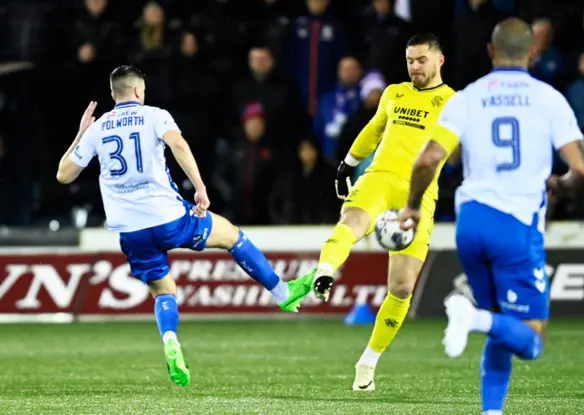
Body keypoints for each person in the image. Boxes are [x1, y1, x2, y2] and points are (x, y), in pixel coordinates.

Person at [55, 66, 313, 387]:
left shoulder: (98, 129)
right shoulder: (154, 115)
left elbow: (63, 175)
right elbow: (178, 145)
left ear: (113, 95)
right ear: (138, 91)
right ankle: (283, 292)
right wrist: (200, 188)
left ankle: (170, 342)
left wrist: (82, 132)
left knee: (164, 291)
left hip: (131, 231)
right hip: (169, 218)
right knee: (232, 236)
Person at [398, 18, 584, 414]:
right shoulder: (548, 98)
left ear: (490, 52)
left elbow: (429, 159)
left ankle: (492, 411)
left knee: (500, 322)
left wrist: (414, 206)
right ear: (533, 52)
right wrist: (562, 183)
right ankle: (473, 319)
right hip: (516, 225)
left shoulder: (467, 97)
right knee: (531, 339)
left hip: (471, 223)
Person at [297, 33, 457, 391]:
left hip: (419, 194)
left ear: (439, 60)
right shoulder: (394, 93)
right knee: (350, 222)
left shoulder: (452, 102)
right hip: (380, 177)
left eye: (421, 60)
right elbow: (373, 131)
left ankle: (367, 363)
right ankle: (325, 271)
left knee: (401, 288)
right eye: (410, 60)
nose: (415, 66)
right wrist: (347, 164)